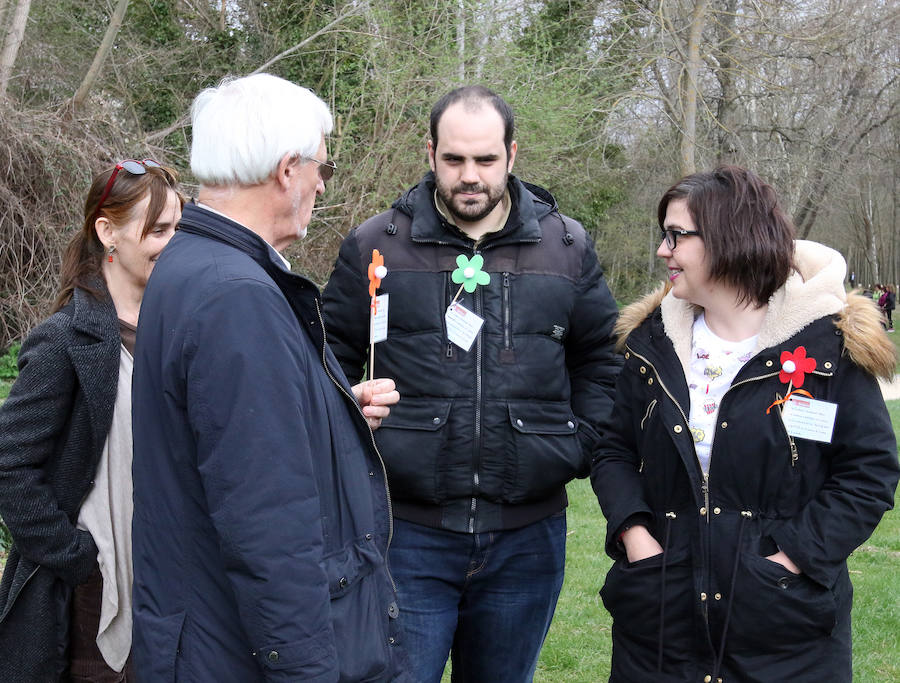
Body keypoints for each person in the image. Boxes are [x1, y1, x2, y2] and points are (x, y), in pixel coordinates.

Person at [322, 85, 620, 682]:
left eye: (485, 160)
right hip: (405, 533)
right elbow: (325, 359)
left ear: (512, 155)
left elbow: (602, 362)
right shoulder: (375, 245)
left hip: (527, 537)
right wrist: (353, 416)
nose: (469, 176)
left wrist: (575, 442)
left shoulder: (567, 248)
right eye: (454, 159)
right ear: (430, 153)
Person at [130, 73, 406, 681]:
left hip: (204, 636)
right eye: (321, 172)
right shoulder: (236, 295)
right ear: (288, 170)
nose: (319, 187)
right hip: (232, 651)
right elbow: (267, 526)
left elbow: (229, 441)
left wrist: (332, 413)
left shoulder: (193, 265)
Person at [591, 166, 899, 682]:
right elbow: (612, 450)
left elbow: (868, 472)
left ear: (729, 240)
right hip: (661, 624)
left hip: (785, 631)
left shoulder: (827, 348)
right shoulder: (652, 345)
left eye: (676, 235)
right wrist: (636, 536)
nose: (663, 251)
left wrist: (791, 559)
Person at [0, 160, 182, 681]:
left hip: (173, 582)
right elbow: (10, 468)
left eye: (178, 228)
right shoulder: (64, 341)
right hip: (92, 598)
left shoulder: (178, 335)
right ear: (108, 232)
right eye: (158, 230)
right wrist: (79, 559)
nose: (173, 242)